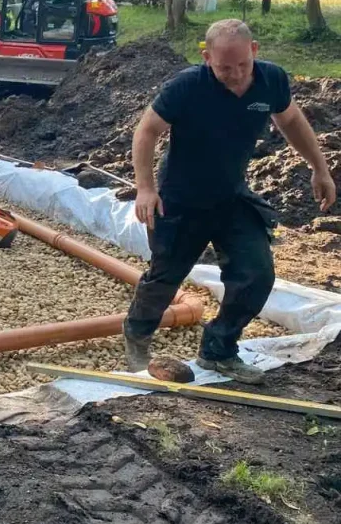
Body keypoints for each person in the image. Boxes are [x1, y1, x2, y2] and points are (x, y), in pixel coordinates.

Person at [124, 19, 337, 384]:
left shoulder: (271, 80)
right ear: (207, 58)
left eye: (243, 64)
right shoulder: (187, 86)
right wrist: (145, 188)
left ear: (254, 51)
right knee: (165, 276)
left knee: (256, 273)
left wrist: (320, 168)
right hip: (179, 199)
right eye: (225, 67)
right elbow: (147, 131)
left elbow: (291, 121)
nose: (236, 74)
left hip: (231, 196)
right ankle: (138, 334)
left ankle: (219, 350)